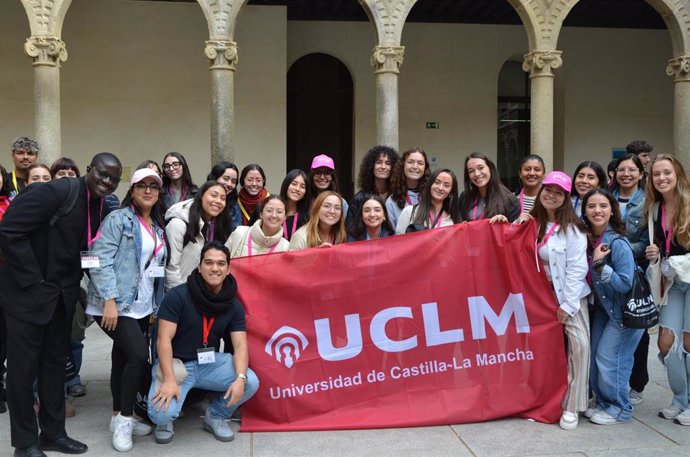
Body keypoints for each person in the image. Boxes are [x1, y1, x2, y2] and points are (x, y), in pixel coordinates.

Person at [0, 152, 122, 457]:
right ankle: (25, 443)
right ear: (89, 170)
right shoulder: (55, 191)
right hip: (28, 297)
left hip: (60, 299)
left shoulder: (97, 203)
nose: (107, 182)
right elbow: (9, 231)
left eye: (114, 179)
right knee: (22, 371)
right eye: (103, 174)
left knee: (54, 368)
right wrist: (34, 281)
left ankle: (53, 435)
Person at [86, 168, 166, 451]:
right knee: (136, 356)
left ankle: (115, 415)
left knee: (121, 358)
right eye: (141, 186)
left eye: (153, 187)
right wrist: (109, 300)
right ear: (131, 191)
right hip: (114, 304)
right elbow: (99, 258)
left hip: (141, 305)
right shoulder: (118, 219)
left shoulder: (156, 226)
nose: (148, 190)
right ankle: (125, 419)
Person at [147, 242, 259, 444]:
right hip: (177, 363)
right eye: (208, 263)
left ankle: (216, 415)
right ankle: (165, 422)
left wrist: (240, 377)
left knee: (250, 381)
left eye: (220, 264)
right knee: (160, 414)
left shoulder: (233, 304)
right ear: (199, 267)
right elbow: (163, 339)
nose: (214, 268)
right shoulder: (178, 295)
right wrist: (170, 379)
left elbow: (241, 345)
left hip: (209, 363)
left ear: (228, 269)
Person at [526, 171, 591, 430]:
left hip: (568, 297)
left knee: (580, 347)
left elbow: (577, 269)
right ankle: (542, 400)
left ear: (565, 198)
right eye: (547, 190)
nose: (551, 196)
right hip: (540, 298)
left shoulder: (573, 230)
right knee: (543, 351)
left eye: (558, 193)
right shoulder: (533, 224)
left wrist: (568, 304)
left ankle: (572, 406)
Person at [583, 188, 642, 425]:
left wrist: (599, 265)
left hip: (623, 312)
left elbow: (626, 283)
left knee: (611, 358)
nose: (597, 210)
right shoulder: (589, 238)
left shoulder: (617, 242)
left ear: (612, 210)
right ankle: (604, 403)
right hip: (603, 310)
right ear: (584, 210)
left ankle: (620, 408)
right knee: (596, 357)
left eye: (603, 206)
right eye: (591, 206)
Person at [644, 154, 690, 426]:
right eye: (656, 174)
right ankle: (680, 399)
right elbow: (661, 247)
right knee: (665, 341)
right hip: (672, 282)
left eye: (666, 173)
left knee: (687, 341)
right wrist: (655, 253)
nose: (661, 178)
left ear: (678, 175)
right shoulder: (654, 209)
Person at [611, 153, 650, 406]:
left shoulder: (647, 202)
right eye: (621, 170)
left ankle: (637, 383)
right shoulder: (606, 198)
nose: (626, 174)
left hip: (635, 271)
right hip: (608, 271)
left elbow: (647, 241)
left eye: (631, 170)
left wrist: (620, 249)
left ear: (640, 174)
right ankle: (614, 380)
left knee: (638, 325)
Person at [165, 181, 231, 291]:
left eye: (223, 198)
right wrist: (179, 297)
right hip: (180, 295)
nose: (218, 201)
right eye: (213, 195)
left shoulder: (211, 225)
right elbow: (171, 268)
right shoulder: (178, 224)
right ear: (201, 196)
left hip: (198, 293)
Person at [346, 146, 398, 232]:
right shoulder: (359, 198)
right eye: (379, 162)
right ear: (371, 166)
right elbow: (350, 230)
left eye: (388, 163)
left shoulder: (398, 196)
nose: (383, 167)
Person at [459, 152, 520, 223]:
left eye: (481, 168)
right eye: (471, 171)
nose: (477, 174)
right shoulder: (465, 197)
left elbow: (514, 231)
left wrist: (505, 224)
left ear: (490, 169)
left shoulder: (511, 201)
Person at [395, 168, 460, 234]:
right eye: (437, 182)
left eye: (446, 185)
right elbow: (398, 242)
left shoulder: (452, 222)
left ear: (451, 192)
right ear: (430, 184)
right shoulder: (409, 212)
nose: (440, 188)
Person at [385, 147, 430, 229]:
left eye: (420, 163)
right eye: (410, 162)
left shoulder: (430, 197)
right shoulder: (392, 201)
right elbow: (390, 234)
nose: (415, 166)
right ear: (403, 165)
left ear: (425, 168)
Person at [207, 162, 242, 233]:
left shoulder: (234, 207)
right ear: (215, 178)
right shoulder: (201, 199)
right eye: (226, 179)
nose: (229, 184)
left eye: (233, 181)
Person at [278, 169, 309, 241]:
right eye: (294, 184)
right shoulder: (273, 211)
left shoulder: (307, 218)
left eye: (302, 186)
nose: (297, 189)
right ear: (286, 185)